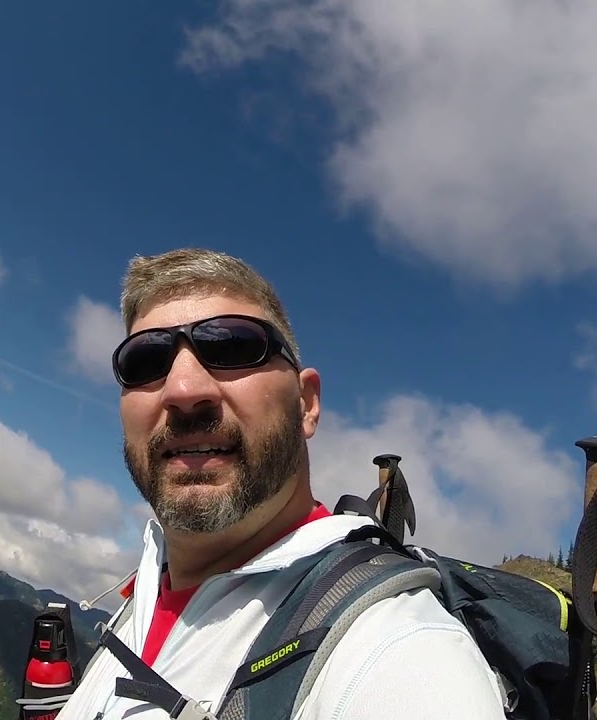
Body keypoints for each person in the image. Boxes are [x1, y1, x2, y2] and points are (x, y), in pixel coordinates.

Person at [55, 248, 509, 719]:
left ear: (306, 404)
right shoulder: (144, 591)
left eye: (233, 347)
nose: (183, 391)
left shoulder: (397, 650)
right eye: (145, 360)